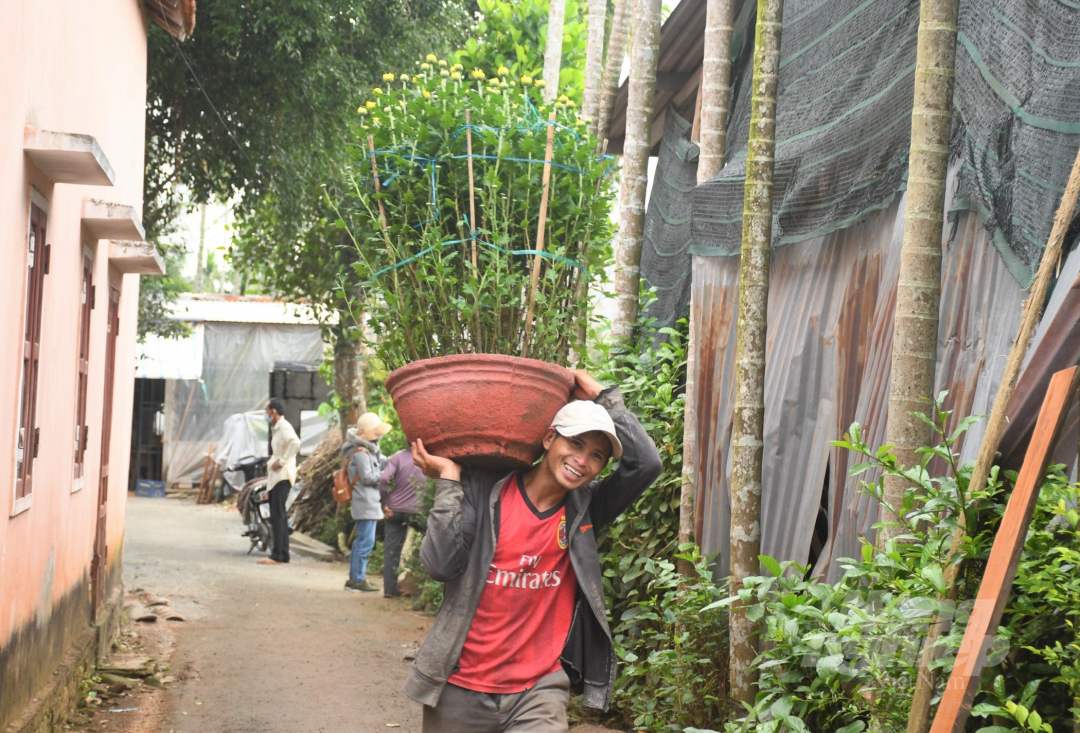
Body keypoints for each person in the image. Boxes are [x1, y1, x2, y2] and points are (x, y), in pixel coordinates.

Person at [405, 370, 662, 733]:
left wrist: (606, 397)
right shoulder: (485, 492)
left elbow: (647, 465)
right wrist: (449, 480)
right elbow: (440, 565)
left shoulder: (585, 510)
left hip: (539, 691)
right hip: (460, 687)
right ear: (548, 438)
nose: (582, 460)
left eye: (597, 456)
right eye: (575, 443)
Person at [342, 412, 393, 592]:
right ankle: (358, 580)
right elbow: (367, 478)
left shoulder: (368, 451)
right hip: (365, 504)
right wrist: (387, 475)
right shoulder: (361, 454)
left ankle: (354, 578)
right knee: (365, 542)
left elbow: (382, 463)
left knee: (361, 541)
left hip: (367, 503)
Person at [378, 448, 428, 598]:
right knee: (430, 543)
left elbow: (384, 479)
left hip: (394, 510)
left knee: (391, 551)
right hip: (419, 511)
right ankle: (422, 586)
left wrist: (384, 504)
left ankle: (389, 591)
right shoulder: (430, 457)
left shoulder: (398, 456)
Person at [259, 398, 300, 566]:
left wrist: (282, 461)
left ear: (273, 411)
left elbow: (295, 443)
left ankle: (277, 555)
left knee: (277, 515)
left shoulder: (284, 427)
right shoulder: (277, 428)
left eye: (267, 411)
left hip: (282, 475)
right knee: (279, 515)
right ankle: (283, 554)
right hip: (278, 476)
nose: (266, 414)